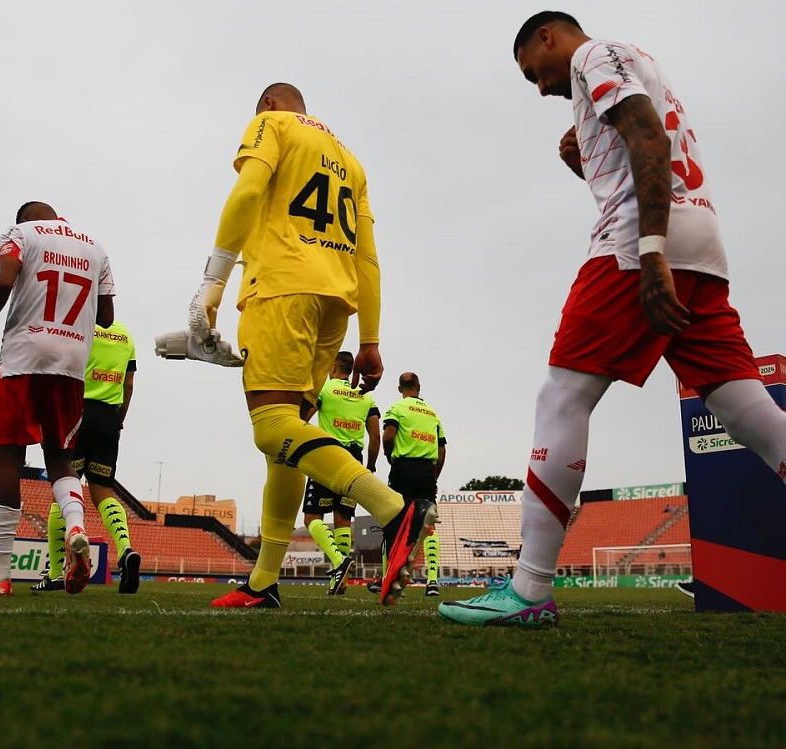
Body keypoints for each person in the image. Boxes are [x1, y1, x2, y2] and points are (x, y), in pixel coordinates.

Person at [440, 12, 786, 627]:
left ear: (549, 37)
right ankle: (528, 588)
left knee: (563, 396)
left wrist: (650, 253)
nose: (541, 89)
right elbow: (643, 152)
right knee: (751, 414)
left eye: (532, 73)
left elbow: (649, 141)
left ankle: (528, 590)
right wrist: (585, 163)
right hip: (702, 244)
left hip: (638, 246)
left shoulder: (592, 57)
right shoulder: (635, 65)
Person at [160, 82, 406, 609]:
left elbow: (248, 193)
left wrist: (212, 284)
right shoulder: (352, 162)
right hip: (334, 306)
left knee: (271, 428)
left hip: (282, 289)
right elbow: (368, 258)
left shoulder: (272, 125)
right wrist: (371, 339)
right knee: (286, 448)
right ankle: (263, 580)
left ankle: (391, 509)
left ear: (268, 105)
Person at [0, 201, 115, 597]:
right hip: (71, 363)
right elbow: (107, 316)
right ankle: (77, 528)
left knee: (9, 457)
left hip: (23, 356)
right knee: (60, 457)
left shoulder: (20, 235)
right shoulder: (95, 247)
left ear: (26, 220)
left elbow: (2, 282)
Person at [32, 319, 143, 594]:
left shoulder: (76, 327)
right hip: (109, 418)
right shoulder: (125, 334)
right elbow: (128, 384)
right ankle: (126, 548)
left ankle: (57, 572)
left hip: (76, 412)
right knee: (103, 491)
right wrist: (119, 421)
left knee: (62, 490)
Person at [301, 351, 380, 596]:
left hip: (327, 455)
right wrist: (370, 465)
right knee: (343, 520)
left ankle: (338, 561)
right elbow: (375, 436)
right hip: (354, 462)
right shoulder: (366, 397)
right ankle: (340, 581)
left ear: (334, 366)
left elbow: (303, 417)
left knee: (311, 518)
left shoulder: (324, 389)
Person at [378, 372, 446, 603]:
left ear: (400, 388)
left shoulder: (396, 408)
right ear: (419, 387)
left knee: (394, 524)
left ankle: (388, 576)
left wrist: (389, 457)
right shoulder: (433, 414)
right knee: (428, 525)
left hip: (402, 468)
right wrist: (434, 473)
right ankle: (433, 581)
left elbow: (388, 436)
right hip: (427, 472)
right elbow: (442, 449)